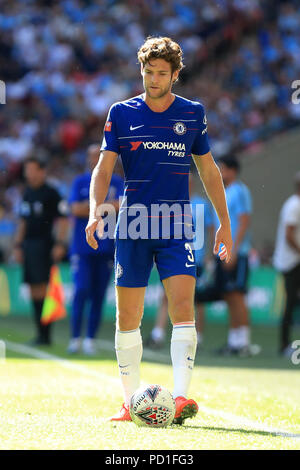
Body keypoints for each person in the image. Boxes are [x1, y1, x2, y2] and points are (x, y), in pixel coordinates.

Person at [85, 36, 232, 424]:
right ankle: (130, 401)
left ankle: (181, 398)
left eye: (161, 74)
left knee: (183, 307)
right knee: (127, 317)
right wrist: (94, 211)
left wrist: (224, 224)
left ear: (176, 75)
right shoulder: (120, 112)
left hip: (177, 224)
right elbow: (103, 169)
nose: (153, 79)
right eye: (148, 72)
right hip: (132, 224)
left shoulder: (193, 113)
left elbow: (209, 172)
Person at [145, 172, 214, 350]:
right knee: (166, 296)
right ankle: (158, 334)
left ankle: (198, 336)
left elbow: (211, 229)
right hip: (174, 257)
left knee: (197, 299)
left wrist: (209, 255)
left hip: (195, 258)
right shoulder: (172, 204)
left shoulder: (201, 204)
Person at [197, 155, 256, 356]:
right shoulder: (222, 192)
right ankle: (234, 342)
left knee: (237, 295)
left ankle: (244, 343)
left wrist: (236, 250)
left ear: (232, 171)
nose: (219, 172)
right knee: (229, 296)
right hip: (223, 253)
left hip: (236, 253)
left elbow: (244, 221)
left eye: (222, 169)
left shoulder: (240, 191)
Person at [67, 144, 123, 355]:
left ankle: (90, 338)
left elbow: (125, 206)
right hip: (82, 248)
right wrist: (108, 205)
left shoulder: (117, 182)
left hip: (107, 247)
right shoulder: (80, 181)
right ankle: (75, 337)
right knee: (81, 290)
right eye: (92, 156)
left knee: (99, 294)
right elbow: (75, 209)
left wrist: (91, 207)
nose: (95, 160)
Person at [14, 157, 69, 345]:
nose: (27, 173)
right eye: (26, 169)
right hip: (29, 245)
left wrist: (60, 243)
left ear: (42, 171)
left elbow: (63, 219)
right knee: (33, 289)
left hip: (44, 245)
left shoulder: (51, 193)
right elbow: (23, 221)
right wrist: (18, 245)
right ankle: (40, 333)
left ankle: (46, 335)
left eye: (31, 169)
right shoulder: (27, 192)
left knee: (44, 288)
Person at [273, 171, 300, 357]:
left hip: (292, 260)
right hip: (291, 262)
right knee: (290, 303)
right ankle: (284, 345)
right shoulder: (295, 205)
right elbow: (289, 234)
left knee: (291, 303)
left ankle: (286, 344)